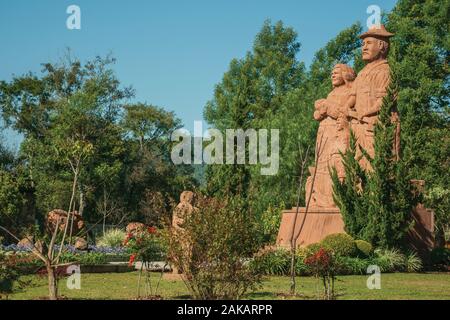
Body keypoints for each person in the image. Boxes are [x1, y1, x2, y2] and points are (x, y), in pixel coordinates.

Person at [306, 64, 356, 208]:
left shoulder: (350, 92)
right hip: (324, 133)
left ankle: (336, 197)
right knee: (322, 164)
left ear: (346, 74)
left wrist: (328, 108)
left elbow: (344, 113)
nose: (332, 75)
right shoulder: (331, 93)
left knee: (336, 163)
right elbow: (319, 113)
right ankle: (321, 196)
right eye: (331, 73)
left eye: (336, 73)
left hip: (337, 133)